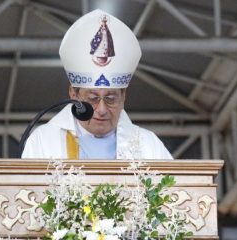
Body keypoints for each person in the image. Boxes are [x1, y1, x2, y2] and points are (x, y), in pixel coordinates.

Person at [22, 9, 173, 160]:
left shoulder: (148, 145)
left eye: (110, 99)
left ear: (124, 97)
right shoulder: (43, 141)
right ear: (73, 95)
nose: (101, 110)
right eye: (93, 98)